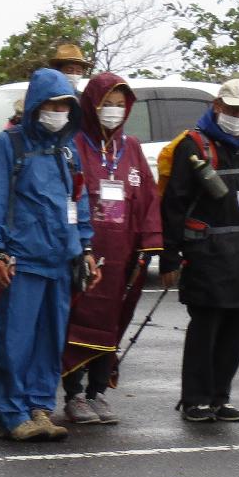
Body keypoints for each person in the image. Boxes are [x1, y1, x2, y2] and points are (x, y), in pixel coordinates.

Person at [0, 68, 94, 441]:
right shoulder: (7, 145)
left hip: (60, 260)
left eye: (64, 105)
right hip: (22, 260)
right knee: (15, 338)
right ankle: (11, 412)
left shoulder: (67, 149)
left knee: (50, 338)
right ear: (35, 105)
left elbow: (79, 201)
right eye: (52, 104)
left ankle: (40, 406)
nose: (58, 111)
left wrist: (85, 248)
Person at [161, 80, 239, 422]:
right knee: (205, 329)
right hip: (207, 253)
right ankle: (195, 399)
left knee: (235, 331)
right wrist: (170, 255)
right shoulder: (193, 146)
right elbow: (174, 205)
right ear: (218, 107)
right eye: (234, 110)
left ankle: (221, 397)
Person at [61, 72, 161, 424]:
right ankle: (74, 394)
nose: (114, 111)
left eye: (120, 105)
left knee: (113, 319)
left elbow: (148, 196)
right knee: (78, 320)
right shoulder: (73, 143)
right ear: (92, 104)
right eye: (107, 104)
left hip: (123, 254)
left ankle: (98, 390)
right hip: (84, 251)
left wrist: (151, 243)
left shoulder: (130, 147)